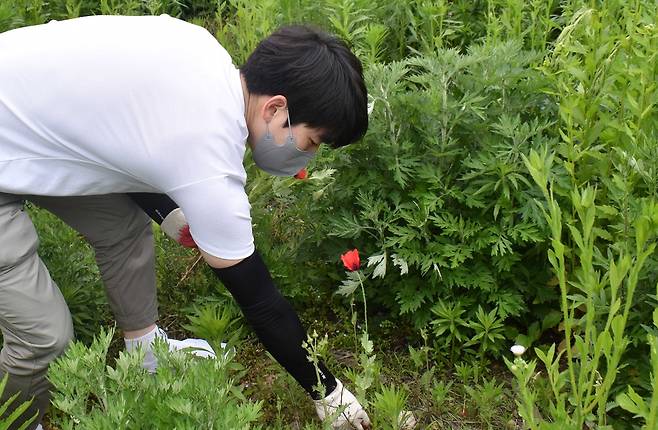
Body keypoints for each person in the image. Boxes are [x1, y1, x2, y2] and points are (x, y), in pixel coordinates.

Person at [0, 14, 370, 430]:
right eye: (312, 141)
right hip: (9, 141)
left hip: (20, 121)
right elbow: (261, 303)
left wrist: (166, 212)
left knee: (121, 227)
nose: (308, 155)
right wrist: (330, 394)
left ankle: (145, 352)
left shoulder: (201, 51)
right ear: (276, 108)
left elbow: (114, 132)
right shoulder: (208, 157)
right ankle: (13, 420)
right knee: (45, 338)